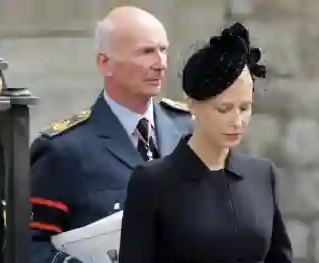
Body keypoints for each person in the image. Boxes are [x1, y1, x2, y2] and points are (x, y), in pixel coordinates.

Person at [29, 5, 193, 263]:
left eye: (163, 50)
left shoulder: (189, 129)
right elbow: (28, 243)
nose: (160, 64)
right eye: (146, 52)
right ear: (105, 63)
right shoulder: (64, 149)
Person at [119, 22, 293, 263]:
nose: (237, 121)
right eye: (224, 109)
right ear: (192, 104)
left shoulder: (262, 175)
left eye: (245, 108)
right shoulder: (153, 183)